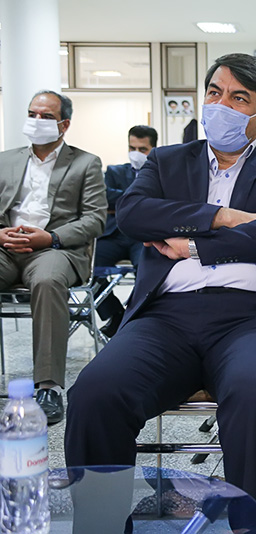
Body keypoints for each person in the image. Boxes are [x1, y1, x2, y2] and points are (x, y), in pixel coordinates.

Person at [64, 53, 256, 534]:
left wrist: (195, 245)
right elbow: (134, 214)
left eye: (238, 98)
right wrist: (221, 216)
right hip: (166, 318)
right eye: (214, 92)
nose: (220, 105)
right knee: (94, 393)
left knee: (255, 393)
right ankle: (102, 527)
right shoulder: (168, 161)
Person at [0, 90, 106, 425]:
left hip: (54, 248)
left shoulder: (85, 163)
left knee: (47, 281)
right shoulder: (5, 160)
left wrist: (51, 237)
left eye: (46, 116)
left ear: (64, 124)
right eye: (33, 114)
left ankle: (47, 387)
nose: (37, 121)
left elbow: (95, 219)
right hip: (6, 247)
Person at [95, 125, 158, 338]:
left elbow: (161, 203)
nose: (136, 153)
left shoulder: (161, 173)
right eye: (132, 148)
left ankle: (135, 317)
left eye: (142, 149)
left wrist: (124, 200)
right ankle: (116, 315)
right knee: (86, 267)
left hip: (142, 237)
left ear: (153, 149)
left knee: (149, 271)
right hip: (113, 234)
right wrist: (141, 199)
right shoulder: (114, 171)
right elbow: (105, 197)